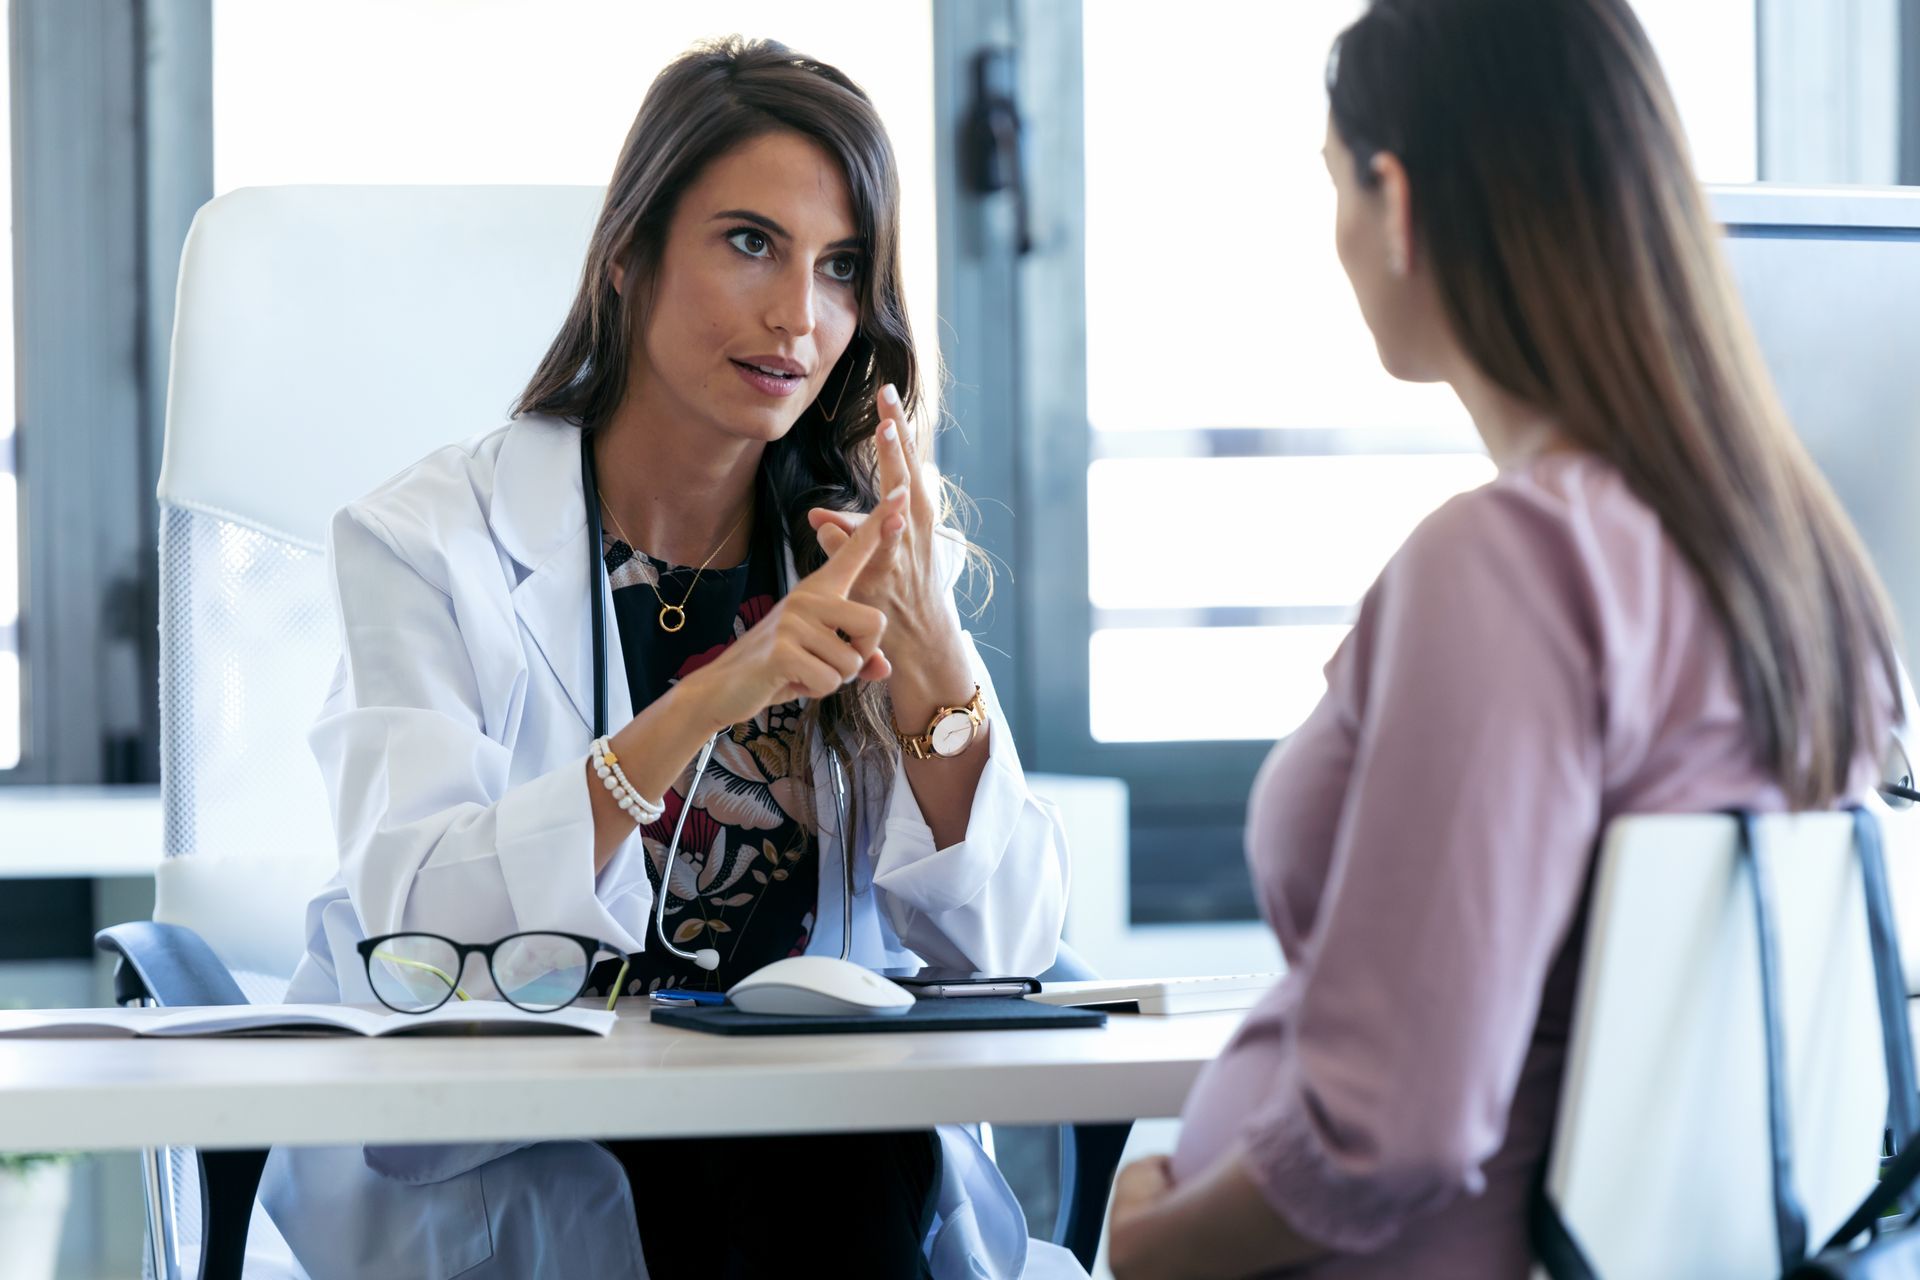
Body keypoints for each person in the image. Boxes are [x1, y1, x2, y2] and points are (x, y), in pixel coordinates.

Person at [256, 36, 1078, 1280]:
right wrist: (717, 698)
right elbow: (418, 915)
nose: (798, 314)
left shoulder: (859, 551)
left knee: (822, 1145)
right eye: (750, 241)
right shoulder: (427, 544)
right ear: (630, 256)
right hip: (541, 1147)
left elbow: (1011, 944)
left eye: (840, 267)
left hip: (820, 1151)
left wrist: (936, 652)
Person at [1104, 1, 1903, 1276]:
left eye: (1334, 187)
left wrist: (1154, 1246)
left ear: (1399, 202)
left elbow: (1393, 1130)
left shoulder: (1516, 563)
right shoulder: (1807, 576)